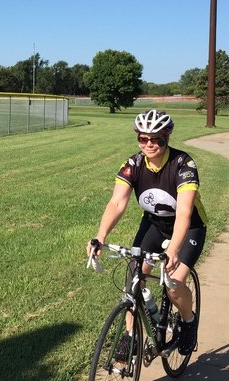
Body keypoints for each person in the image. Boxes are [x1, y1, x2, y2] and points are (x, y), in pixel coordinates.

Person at [86, 109, 206, 355]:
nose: (149, 144)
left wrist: (173, 249)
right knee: (133, 280)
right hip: (153, 224)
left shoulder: (183, 164)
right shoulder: (134, 164)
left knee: (173, 284)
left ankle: (188, 322)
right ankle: (131, 337)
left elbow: (184, 213)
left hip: (189, 227)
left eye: (156, 139)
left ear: (167, 138)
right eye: (143, 138)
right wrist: (101, 236)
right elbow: (117, 203)